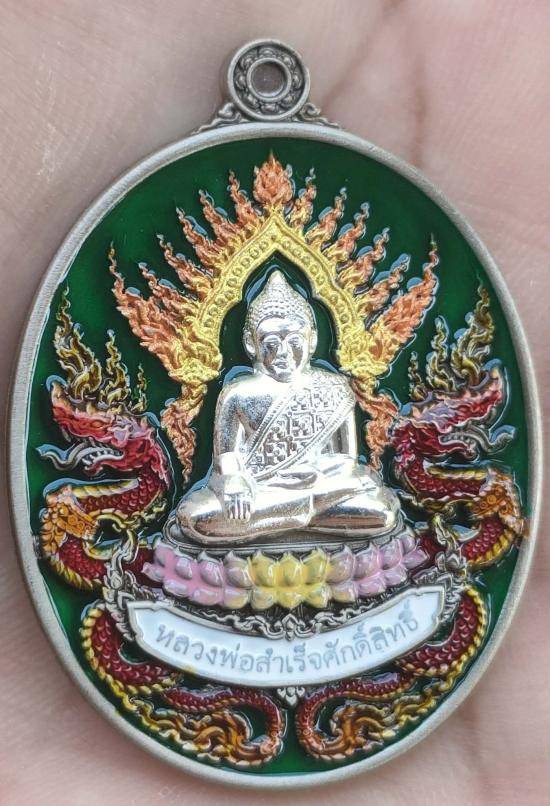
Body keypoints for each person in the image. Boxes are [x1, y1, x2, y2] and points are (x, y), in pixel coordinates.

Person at [176, 270, 400, 545]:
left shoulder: (333, 388)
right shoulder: (237, 394)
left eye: (294, 341)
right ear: (251, 343)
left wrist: (314, 474)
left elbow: (345, 459)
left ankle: (284, 517)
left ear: (312, 340)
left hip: (319, 485)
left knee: (381, 512)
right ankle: (305, 513)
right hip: (263, 492)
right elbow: (227, 458)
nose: (284, 352)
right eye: (271, 343)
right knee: (197, 515)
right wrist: (235, 482)